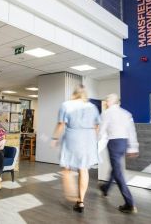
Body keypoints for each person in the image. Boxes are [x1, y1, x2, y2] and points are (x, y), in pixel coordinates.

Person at [51, 85, 100, 213]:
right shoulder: (92, 107)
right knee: (83, 169)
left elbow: (61, 124)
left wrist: (54, 138)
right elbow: (97, 126)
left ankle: (70, 193)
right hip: (88, 140)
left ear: (74, 94)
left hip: (73, 138)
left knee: (66, 167)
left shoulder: (67, 105)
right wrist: (94, 141)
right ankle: (81, 201)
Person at [98, 93, 139, 214]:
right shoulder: (126, 113)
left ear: (111, 101)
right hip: (124, 143)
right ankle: (106, 188)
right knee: (115, 168)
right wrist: (133, 147)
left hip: (114, 143)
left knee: (118, 172)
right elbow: (132, 131)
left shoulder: (107, 113)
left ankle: (130, 203)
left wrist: (94, 141)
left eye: (107, 100)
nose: (106, 102)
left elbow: (101, 130)